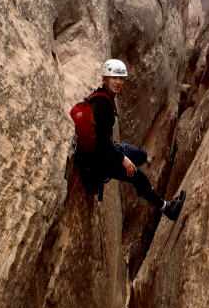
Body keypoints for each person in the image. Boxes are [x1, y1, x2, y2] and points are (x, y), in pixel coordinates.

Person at [77, 58, 185, 221]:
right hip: (99, 161)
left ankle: (126, 162)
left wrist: (120, 152)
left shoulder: (103, 96)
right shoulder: (103, 104)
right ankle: (166, 208)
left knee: (141, 155)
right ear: (105, 79)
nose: (118, 82)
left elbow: (103, 137)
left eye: (121, 79)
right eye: (114, 78)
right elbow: (103, 143)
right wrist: (123, 159)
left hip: (105, 148)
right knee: (138, 176)